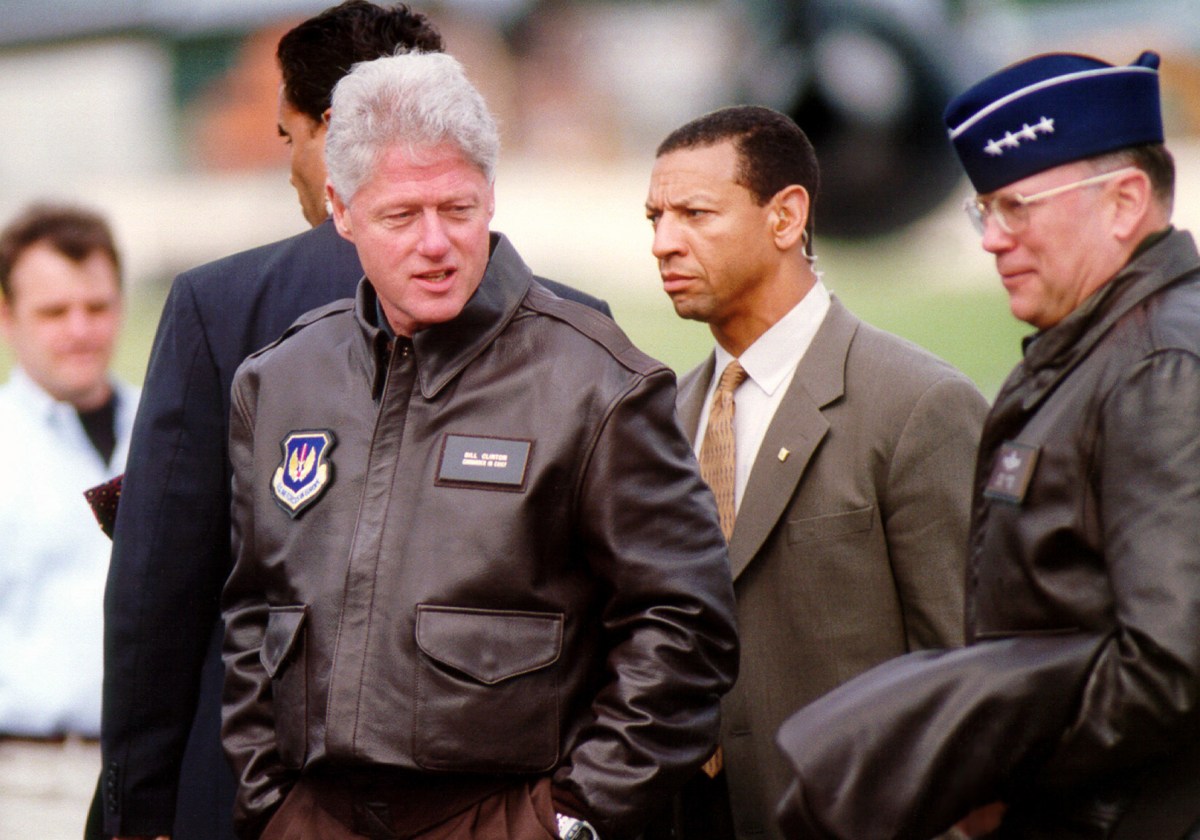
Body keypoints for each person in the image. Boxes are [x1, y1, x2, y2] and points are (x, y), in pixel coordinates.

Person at [97, 3, 611, 838]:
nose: (288, 168)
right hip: (506, 804)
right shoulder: (582, 326)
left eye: (288, 136)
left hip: (251, 796)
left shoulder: (215, 306)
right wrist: (576, 811)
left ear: (335, 131)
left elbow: (156, 588)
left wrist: (138, 807)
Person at [220, 50, 738, 840]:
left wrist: (574, 817)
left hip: (504, 815)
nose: (436, 243)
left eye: (458, 209)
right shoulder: (280, 381)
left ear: (491, 195)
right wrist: (270, 805)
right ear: (341, 210)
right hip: (312, 817)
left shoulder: (597, 384)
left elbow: (684, 626)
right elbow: (253, 612)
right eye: (401, 216)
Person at [775, 50, 1200, 840]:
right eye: (984, 212)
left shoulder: (1161, 369)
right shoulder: (1106, 348)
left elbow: (1172, 665)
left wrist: (992, 771)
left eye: (1015, 208)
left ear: (1123, 203)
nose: (992, 240)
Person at [644, 105, 988, 840]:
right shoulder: (661, 418)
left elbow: (965, 678)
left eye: (695, 214)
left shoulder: (918, 405)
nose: (664, 242)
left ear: (786, 217)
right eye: (655, 219)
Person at [0, 203, 136, 836]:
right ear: (7, 316)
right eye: (54, 312)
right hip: (24, 783)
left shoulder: (173, 427)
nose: (80, 330)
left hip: (152, 780)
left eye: (97, 307)